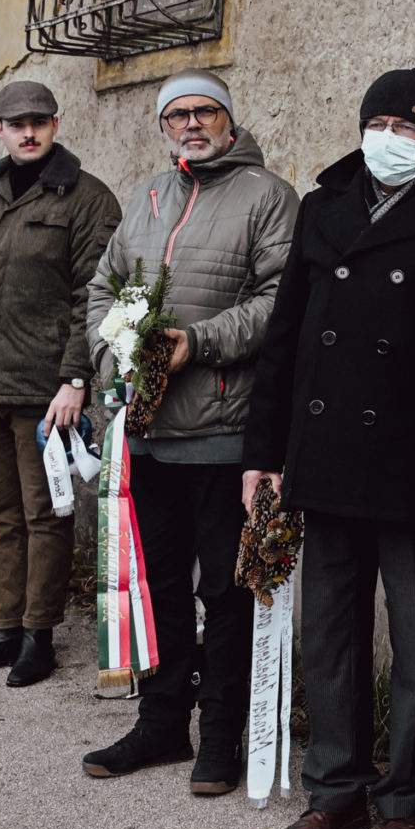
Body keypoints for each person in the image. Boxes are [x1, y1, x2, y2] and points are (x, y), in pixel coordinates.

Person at [246, 70, 415, 829]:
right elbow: (285, 338)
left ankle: (406, 800)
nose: (389, 135)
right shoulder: (325, 206)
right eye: (378, 119)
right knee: (328, 630)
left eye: (407, 124)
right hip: (324, 457)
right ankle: (334, 793)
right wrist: (263, 455)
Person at [78, 70, 299, 791]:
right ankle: (163, 722)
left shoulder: (267, 196)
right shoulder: (146, 196)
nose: (192, 123)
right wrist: (116, 354)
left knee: (227, 594)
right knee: (161, 585)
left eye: (206, 110)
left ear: (229, 120)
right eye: (178, 114)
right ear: (165, 127)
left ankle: (221, 736)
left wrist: (196, 342)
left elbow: (280, 301)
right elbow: (107, 290)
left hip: (225, 432)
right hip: (146, 434)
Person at [0, 81, 122, 687]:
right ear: (0, 130)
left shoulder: (87, 199)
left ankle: (39, 634)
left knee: (45, 515)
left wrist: (75, 378)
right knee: (0, 516)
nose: (28, 131)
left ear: (56, 124)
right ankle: (4, 628)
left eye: (38, 121)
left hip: (44, 392)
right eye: (16, 123)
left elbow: (92, 296)